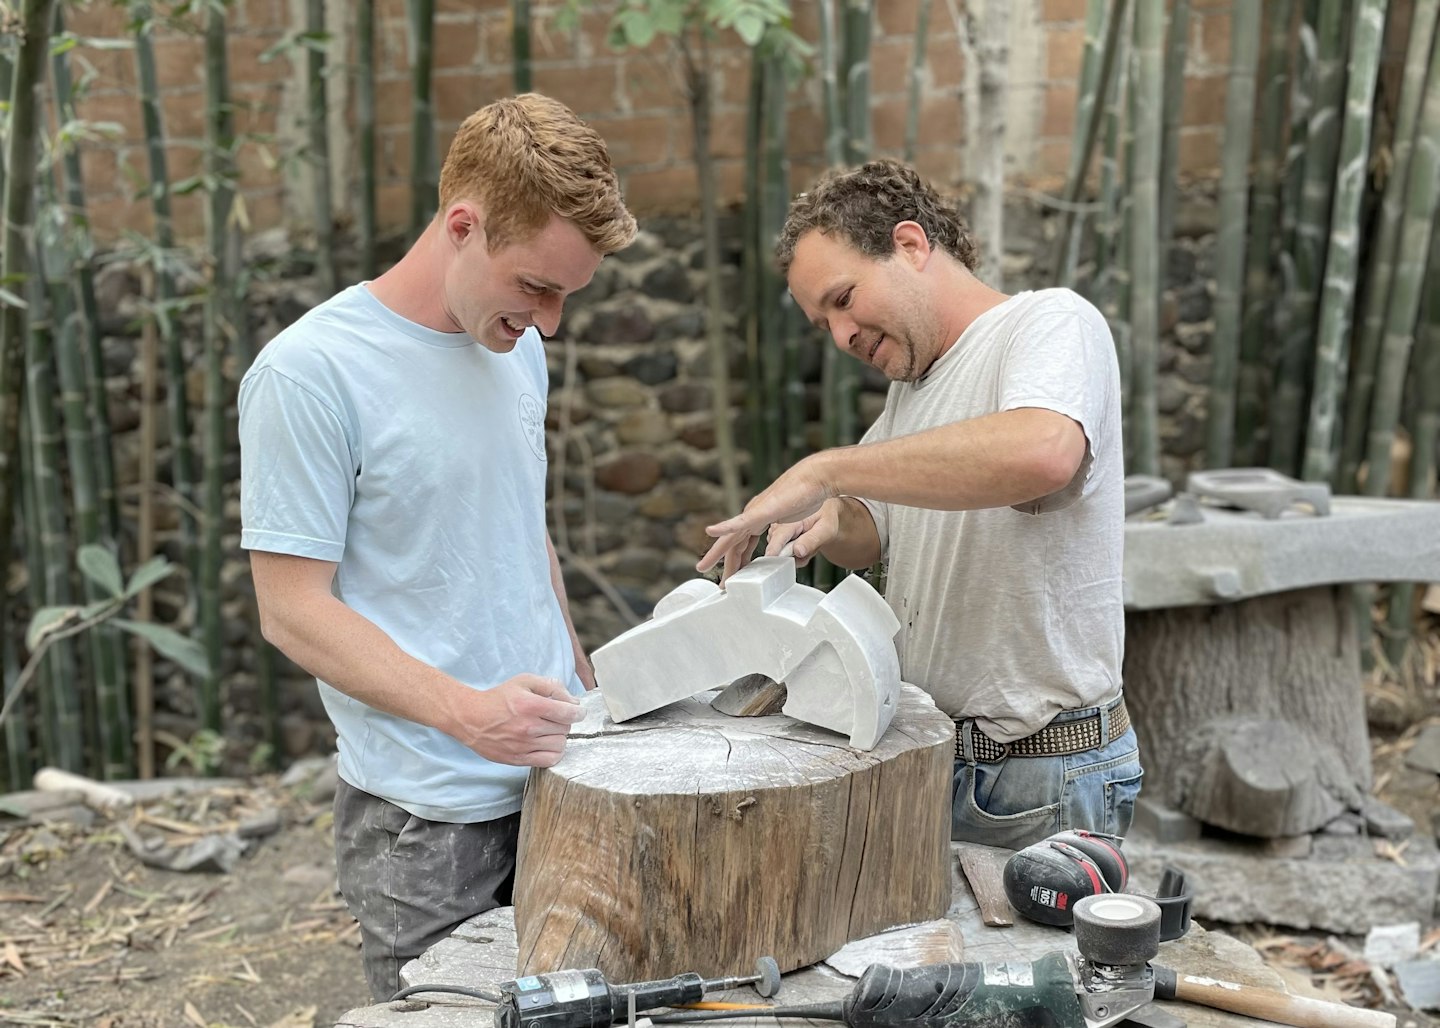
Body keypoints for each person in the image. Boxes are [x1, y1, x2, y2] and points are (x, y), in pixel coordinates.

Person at [238, 93, 637, 1000]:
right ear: (465, 224)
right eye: (538, 287)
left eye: (567, 297)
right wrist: (466, 713)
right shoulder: (308, 375)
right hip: (424, 824)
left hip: (559, 784)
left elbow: (515, 529)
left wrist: (589, 691)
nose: (550, 321)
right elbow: (291, 610)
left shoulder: (514, 345)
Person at [697, 159, 1140, 850]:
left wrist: (825, 467)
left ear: (910, 244)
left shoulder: (1050, 323)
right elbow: (881, 531)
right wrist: (830, 519)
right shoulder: (914, 391)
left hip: (1042, 771)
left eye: (843, 298)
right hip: (939, 758)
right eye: (823, 325)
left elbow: (1041, 452)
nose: (841, 336)